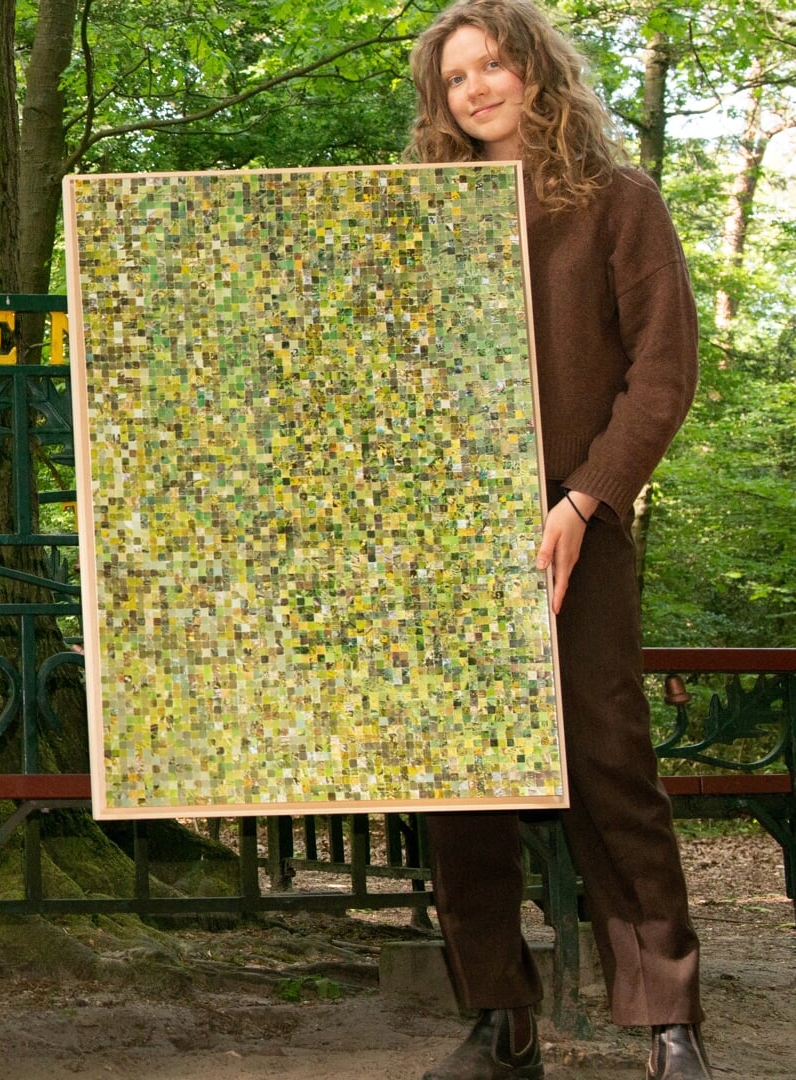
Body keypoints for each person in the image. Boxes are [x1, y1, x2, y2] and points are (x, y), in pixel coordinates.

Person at [405, 3, 705, 1078]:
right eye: (453, 78)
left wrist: (582, 502)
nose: (475, 88)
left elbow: (662, 374)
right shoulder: (423, 221)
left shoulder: (618, 202)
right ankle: (498, 1016)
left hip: (581, 521)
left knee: (608, 762)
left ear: (537, 70)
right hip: (453, 537)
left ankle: (666, 1019)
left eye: (492, 65)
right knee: (458, 779)